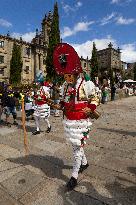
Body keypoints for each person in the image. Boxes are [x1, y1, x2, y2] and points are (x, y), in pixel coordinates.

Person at [53, 43, 99, 191]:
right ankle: (84, 163)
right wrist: (59, 104)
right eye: (65, 76)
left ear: (76, 73)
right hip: (69, 121)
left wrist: (91, 108)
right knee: (76, 145)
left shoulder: (86, 84)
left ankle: (74, 176)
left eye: (69, 75)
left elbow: (95, 97)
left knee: (76, 148)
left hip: (81, 121)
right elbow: (63, 100)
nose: (67, 78)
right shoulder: (65, 86)